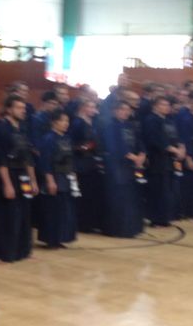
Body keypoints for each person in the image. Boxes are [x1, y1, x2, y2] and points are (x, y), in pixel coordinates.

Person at [0, 94, 37, 262]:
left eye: (24, 108)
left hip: (23, 176)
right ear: (9, 109)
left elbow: (28, 157)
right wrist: (7, 184)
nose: (23, 111)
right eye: (19, 108)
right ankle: (3, 253)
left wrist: (33, 180)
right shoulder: (1, 129)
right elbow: (0, 159)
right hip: (8, 175)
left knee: (24, 212)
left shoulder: (23, 128)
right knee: (7, 215)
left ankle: (23, 250)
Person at [101, 99, 146, 237]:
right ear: (115, 111)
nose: (126, 112)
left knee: (132, 197)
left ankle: (132, 227)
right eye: (122, 109)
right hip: (117, 167)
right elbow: (114, 147)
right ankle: (119, 229)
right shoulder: (110, 127)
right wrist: (133, 157)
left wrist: (142, 155)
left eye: (128, 109)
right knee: (120, 198)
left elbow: (140, 142)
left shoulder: (131, 126)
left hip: (132, 166)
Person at [36, 110, 78, 249]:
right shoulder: (48, 139)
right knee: (52, 210)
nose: (66, 124)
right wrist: (50, 180)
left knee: (64, 210)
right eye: (62, 120)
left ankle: (60, 237)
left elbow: (71, 159)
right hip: (54, 176)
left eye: (67, 121)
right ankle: (50, 239)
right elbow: (45, 161)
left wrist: (73, 175)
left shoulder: (67, 138)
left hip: (66, 177)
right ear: (54, 122)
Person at [142, 95, 185, 227]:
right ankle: (156, 219)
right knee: (157, 190)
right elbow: (155, 140)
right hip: (157, 160)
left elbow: (175, 136)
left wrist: (181, 148)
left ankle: (165, 217)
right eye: (163, 105)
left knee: (167, 190)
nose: (166, 107)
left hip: (169, 160)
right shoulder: (151, 120)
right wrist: (174, 150)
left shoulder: (169, 120)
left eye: (167, 105)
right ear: (155, 106)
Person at [67, 98, 101, 233]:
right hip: (80, 163)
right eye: (90, 107)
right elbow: (71, 143)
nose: (93, 110)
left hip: (91, 162)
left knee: (91, 193)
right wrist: (83, 147)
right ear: (82, 108)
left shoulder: (92, 122)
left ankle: (90, 222)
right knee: (83, 193)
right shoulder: (77, 123)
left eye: (94, 107)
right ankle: (81, 223)